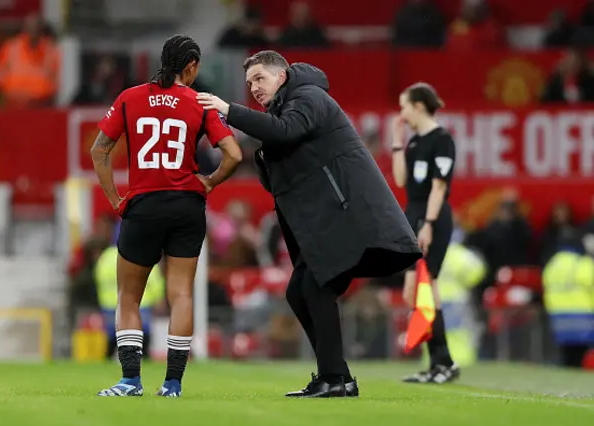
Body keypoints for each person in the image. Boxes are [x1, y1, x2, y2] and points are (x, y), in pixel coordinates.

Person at [197, 51, 421, 398]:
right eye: (249, 83)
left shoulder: (309, 96)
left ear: (281, 76)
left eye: (259, 78)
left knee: (315, 288)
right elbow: (277, 180)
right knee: (299, 291)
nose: (253, 88)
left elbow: (286, 132)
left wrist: (228, 111)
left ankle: (336, 378)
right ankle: (336, 376)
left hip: (349, 215)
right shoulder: (283, 110)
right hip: (330, 219)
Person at [91, 35, 242, 397]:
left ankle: (130, 381)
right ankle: (172, 384)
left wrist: (115, 199)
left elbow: (100, 150)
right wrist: (209, 183)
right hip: (186, 206)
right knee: (180, 294)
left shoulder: (130, 97)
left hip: (143, 205)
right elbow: (234, 154)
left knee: (128, 296)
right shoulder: (199, 102)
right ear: (190, 66)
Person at [390, 82, 460, 383]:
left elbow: (439, 186)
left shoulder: (442, 140)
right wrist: (396, 141)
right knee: (411, 293)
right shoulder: (415, 142)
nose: (402, 113)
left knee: (426, 286)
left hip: (431, 217)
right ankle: (436, 364)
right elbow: (401, 179)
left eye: (404, 106)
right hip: (413, 215)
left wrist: (428, 224)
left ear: (419, 106)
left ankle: (444, 364)